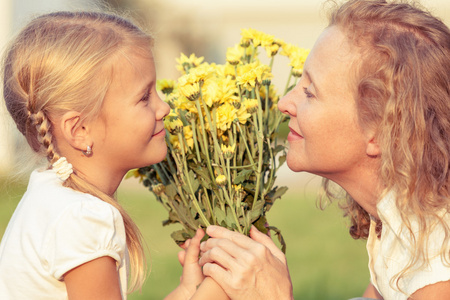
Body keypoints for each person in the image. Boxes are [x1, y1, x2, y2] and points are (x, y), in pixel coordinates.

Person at [198, 0, 450, 299]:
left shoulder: (438, 266)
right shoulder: (401, 221)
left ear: (380, 132)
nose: (284, 103)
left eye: (309, 92)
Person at [0, 11, 205, 300]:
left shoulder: (50, 199)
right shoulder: (82, 218)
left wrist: (189, 291)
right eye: (144, 98)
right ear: (80, 129)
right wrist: (220, 288)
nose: (164, 109)